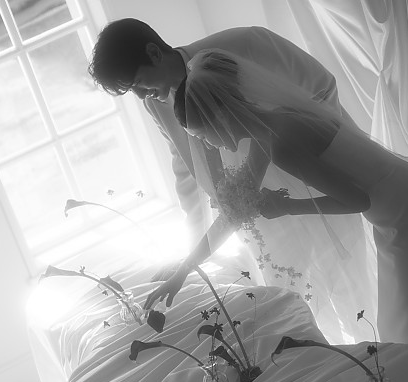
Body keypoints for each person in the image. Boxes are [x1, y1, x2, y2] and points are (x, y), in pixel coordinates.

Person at [163, 49, 408, 382]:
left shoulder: (280, 141)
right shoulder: (269, 129)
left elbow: (357, 199)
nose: (210, 146)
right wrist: (185, 268)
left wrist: (287, 207)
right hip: (407, 201)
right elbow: (234, 212)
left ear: (219, 115)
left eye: (203, 135)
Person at [89, 20, 376, 343]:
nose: (141, 95)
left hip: (318, 183)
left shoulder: (244, 44)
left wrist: (281, 155)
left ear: (154, 53)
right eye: (132, 90)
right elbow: (184, 167)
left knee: (351, 291)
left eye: (139, 83)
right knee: (293, 303)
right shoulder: (155, 105)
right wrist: (191, 254)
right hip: (259, 216)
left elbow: (319, 86)